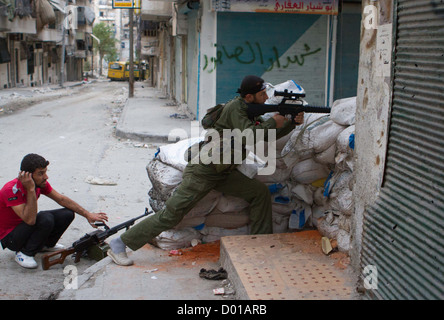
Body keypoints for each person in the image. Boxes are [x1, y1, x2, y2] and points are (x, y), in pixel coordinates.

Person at [107, 75, 304, 266]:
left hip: (223, 172)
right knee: (172, 215)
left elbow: (266, 134)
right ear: (249, 97)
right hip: (204, 171)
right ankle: (119, 244)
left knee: (259, 192)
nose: (267, 98)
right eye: (263, 94)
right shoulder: (236, 109)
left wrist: (291, 124)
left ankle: (261, 242)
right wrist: (273, 121)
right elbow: (249, 136)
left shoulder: (247, 111)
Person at [0, 153, 108, 269]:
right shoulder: (11, 190)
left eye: (45, 172)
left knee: (67, 213)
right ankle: (25, 253)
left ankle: (45, 245)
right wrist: (30, 189)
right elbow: (30, 220)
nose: (46, 177)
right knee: (45, 218)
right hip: (11, 238)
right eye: (41, 174)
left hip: (25, 228)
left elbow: (61, 199)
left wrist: (87, 214)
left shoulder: (40, 184)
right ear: (28, 176)